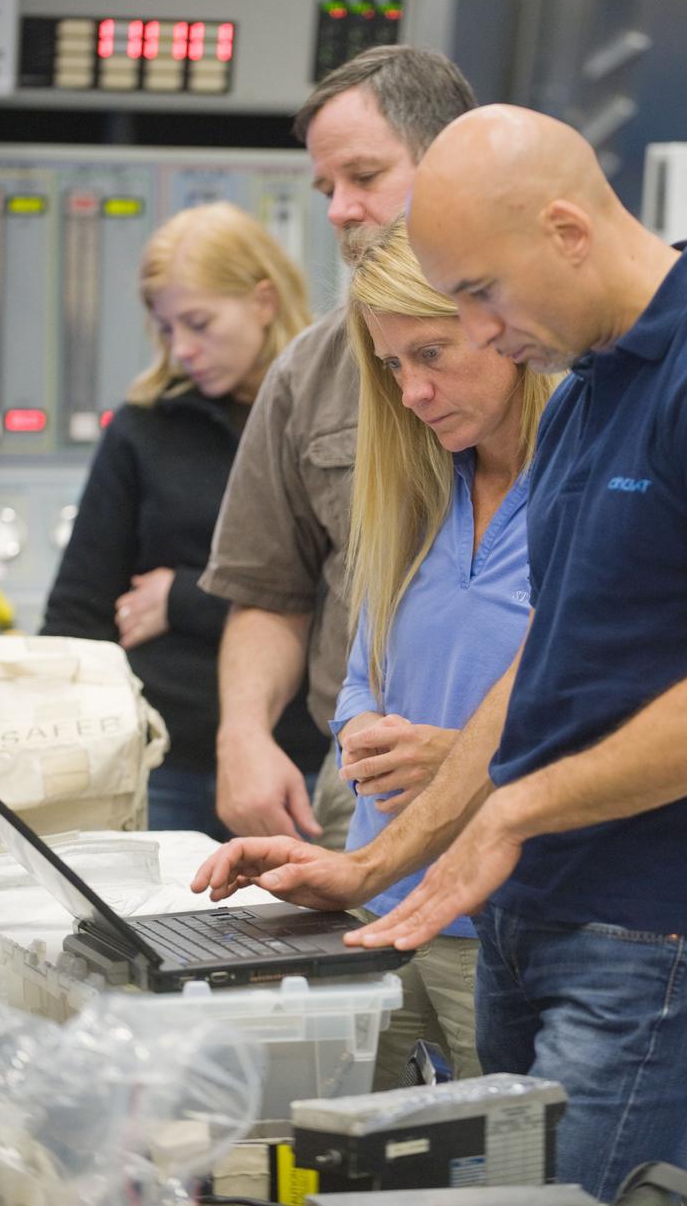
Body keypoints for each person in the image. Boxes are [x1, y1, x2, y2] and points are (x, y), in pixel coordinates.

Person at [191, 107, 687, 1198]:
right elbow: (548, 659)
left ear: (565, 231)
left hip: (655, 932)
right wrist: (376, 865)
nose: (483, 336)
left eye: (481, 294)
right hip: (529, 919)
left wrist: (512, 808)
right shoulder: (588, 395)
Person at [200, 46, 476, 849]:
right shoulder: (311, 370)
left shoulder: (556, 349)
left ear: (451, 161)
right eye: (325, 187)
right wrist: (243, 737)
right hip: (361, 781)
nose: (337, 210)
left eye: (363, 176)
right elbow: (267, 586)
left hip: (530, 774)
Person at [334, 217, 554, 1084]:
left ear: (503, 330)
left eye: (430, 353)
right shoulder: (424, 485)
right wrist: (362, 736)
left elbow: (607, 710)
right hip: (379, 914)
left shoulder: (584, 491)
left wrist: (456, 759)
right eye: (392, 366)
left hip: (498, 928)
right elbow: (363, 675)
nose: (412, 392)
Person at [41, 201, 326, 840]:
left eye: (199, 322)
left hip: (298, 763)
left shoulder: (330, 418)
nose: (184, 349)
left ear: (263, 300)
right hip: (163, 765)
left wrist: (185, 597)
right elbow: (77, 613)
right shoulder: (144, 427)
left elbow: (347, 597)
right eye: (167, 328)